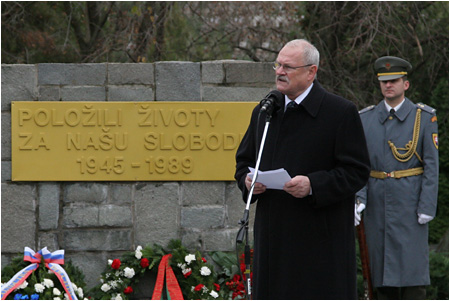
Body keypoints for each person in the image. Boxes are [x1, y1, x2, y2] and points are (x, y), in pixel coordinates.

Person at [234, 39, 371, 299]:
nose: (279, 71)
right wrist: (248, 181)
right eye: (277, 64)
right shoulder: (265, 112)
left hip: (319, 243)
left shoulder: (340, 112)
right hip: (274, 241)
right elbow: (244, 161)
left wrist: (313, 185)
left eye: (288, 66)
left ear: (311, 72)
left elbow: (357, 171)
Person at [355, 56, 439, 299]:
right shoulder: (366, 118)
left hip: (410, 205)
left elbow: (432, 165)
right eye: (384, 81)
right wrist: (359, 199)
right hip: (377, 205)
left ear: (406, 84)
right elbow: (361, 165)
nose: (388, 85)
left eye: (394, 81)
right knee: (379, 276)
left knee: (412, 276)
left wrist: (427, 205)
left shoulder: (423, 118)